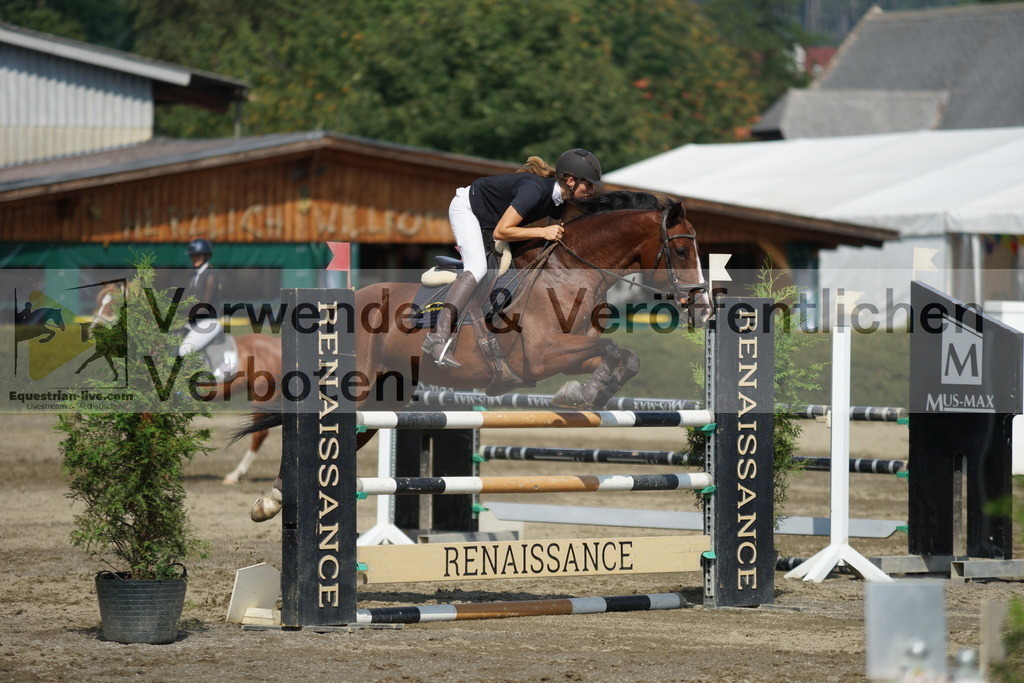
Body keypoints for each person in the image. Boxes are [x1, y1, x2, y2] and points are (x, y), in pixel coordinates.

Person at [421, 148, 604, 368]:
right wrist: (542, 232)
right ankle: (438, 337)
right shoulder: (534, 191)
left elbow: (548, 240)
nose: (592, 190)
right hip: (468, 209)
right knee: (478, 268)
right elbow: (502, 232)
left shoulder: (559, 201)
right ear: (571, 181)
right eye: (588, 184)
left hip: (490, 219)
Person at [179, 238, 223, 378]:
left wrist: (183, 318)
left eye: (198, 255)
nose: (194, 258)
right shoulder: (193, 276)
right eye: (193, 255)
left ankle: (190, 384)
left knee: (185, 350)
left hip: (208, 322)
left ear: (206, 255)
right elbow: (184, 301)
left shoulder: (210, 275)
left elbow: (205, 306)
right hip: (194, 322)